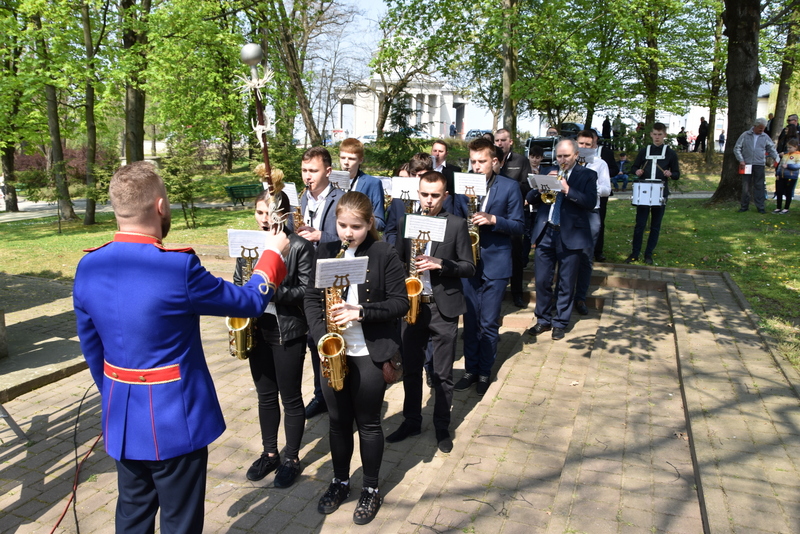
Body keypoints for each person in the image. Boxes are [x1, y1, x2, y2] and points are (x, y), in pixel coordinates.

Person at [73, 161, 289, 533]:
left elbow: (93, 349)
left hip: (122, 419)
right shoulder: (177, 268)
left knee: (131, 516)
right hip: (176, 420)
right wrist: (273, 253)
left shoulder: (88, 265)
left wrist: (116, 396)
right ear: (160, 207)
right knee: (181, 523)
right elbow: (250, 302)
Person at [304, 191, 408, 525]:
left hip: (368, 353)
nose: (348, 232)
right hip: (334, 351)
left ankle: (372, 488)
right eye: (343, 225)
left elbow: (400, 303)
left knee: (368, 423)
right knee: (337, 422)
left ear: (370, 224)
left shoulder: (384, 253)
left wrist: (360, 311)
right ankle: (340, 481)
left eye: (357, 226)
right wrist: (323, 336)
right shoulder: (325, 250)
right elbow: (310, 298)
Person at [385, 171, 475, 453]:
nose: (429, 201)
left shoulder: (457, 225)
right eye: (424, 194)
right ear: (417, 193)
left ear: (445, 196)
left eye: (435, 195)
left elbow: (469, 267)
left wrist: (441, 263)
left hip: (442, 307)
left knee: (442, 374)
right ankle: (411, 420)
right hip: (412, 307)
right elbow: (397, 261)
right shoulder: (406, 222)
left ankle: (441, 426)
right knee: (410, 370)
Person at [235, 189, 314, 487]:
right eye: (259, 212)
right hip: (257, 329)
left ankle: (291, 457)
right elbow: (237, 282)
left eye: (270, 212)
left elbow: (308, 291)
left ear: (284, 214)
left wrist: (269, 291)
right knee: (265, 395)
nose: (264, 218)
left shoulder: (299, 246)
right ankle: (270, 453)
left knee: (290, 397)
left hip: (288, 330)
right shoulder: (248, 245)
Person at [454, 137, 524, 396]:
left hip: (496, 263)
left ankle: (485, 371)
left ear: (495, 161)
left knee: (489, 323)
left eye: (481, 161)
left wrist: (494, 219)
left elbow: (518, 226)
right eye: (472, 161)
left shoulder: (509, 187)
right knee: (470, 321)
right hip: (468, 263)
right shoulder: (463, 185)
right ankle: (471, 370)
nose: (476, 166)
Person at [527, 139, 597, 340]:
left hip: (571, 234)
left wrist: (567, 189)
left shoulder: (587, 175)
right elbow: (530, 198)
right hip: (546, 231)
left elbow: (590, 203)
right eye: (559, 156)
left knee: (566, 282)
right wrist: (540, 187)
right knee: (541, 280)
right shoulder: (549, 170)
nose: (562, 160)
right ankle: (543, 319)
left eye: (566, 156)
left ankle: (560, 322)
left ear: (576, 155)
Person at [296, 146, 345, 419]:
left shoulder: (341, 198)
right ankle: (320, 394)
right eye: (304, 171)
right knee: (311, 339)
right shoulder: (302, 199)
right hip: (305, 277)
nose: (307, 176)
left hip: (329, 277)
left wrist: (321, 236)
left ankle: (336, 393)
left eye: (313, 171)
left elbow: (350, 236)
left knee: (329, 336)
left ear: (328, 171)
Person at [624, 122, 680, 264]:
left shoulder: (670, 153)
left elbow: (677, 174)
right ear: (650, 135)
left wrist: (670, 173)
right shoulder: (644, 151)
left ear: (664, 135)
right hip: (644, 191)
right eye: (654, 134)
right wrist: (637, 171)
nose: (657, 137)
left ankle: (648, 254)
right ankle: (635, 253)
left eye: (660, 135)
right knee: (640, 224)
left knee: (655, 225)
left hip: (660, 192)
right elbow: (634, 167)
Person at [574, 130, 611, 315]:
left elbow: (606, 189)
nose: (584, 147)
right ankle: (563, 295)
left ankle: (580, 297)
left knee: (586, 257)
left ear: (594, 146)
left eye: (588, 144)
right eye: (581, 143)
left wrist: (590, 184)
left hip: (590, 211)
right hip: (570, 212)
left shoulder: (600, 164)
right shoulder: (568, 160)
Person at [495, 128, 532, 308]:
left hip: (513, 215)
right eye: (497, 140)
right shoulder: (490, 159)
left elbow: (526, 186)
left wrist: (507, 186)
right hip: (493, 215)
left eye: (503, 140)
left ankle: (517, 293)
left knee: (516, 256)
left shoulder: (521, 160)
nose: (500, 143)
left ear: (511, 142)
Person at [734, 117, 779, 214]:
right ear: (755, 126)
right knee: (746, 186)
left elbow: (772, 149)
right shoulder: (745, 135)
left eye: (763, 129)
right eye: (760, 128)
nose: (762, 130)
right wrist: (741, 160)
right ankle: (744, 206)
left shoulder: (765, 137)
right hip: (746, 164)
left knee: (759, 186)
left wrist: (777, 159)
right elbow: (737, 148)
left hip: (759, 164)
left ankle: (760, 207)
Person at [339, 138, 386, 231]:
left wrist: (359, 221)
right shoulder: (329, 180)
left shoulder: (373, 183)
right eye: (343, 158)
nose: (346, 163)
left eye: (351, 159)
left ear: (360, 160)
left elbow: (380, 223)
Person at [774, 138, 800, 214]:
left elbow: (798, 166)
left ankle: (786, 208)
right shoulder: (785, 155)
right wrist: (778, 173)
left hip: (791, 177)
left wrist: (788, 166)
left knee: (788, 192)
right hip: (782, 176)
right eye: (787, 147)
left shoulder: (798, 155)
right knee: (779, 191)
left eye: (790, 147)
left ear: (795, 147)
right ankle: (778, 207)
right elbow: (780, 165)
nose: (788, 149)